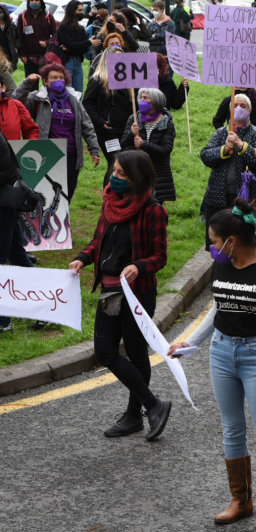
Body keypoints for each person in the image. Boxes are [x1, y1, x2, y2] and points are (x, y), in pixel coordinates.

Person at [168, 198, 256, 532]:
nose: (211, 247)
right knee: (232, 430)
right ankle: (241, 501)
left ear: (232, 240)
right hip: (222, 353)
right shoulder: (223, 264)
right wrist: (191, 342)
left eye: (214, 241)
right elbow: (219, 307)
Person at [68, 150, 171, 440]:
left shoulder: (153, 211)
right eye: (114, 171)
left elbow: (160, 257)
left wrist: (139, 266)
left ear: (138, 178)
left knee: (137, 353)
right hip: (109, 293)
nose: (114, 178)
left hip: (138, 295)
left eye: (122, 174)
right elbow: (98, 241)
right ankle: (153, 405)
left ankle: (133, 416)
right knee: (105, 352)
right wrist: (82, 259)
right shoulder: (110, 201)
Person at [15, 60, 101, 200]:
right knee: (46, 195)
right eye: (54, 78)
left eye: (61, 78)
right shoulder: (37, 99)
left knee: (67, 194)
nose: (58, 80)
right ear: (45, 81)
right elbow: (16, 101)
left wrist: (94, 149)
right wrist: (26, 83)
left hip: (72, 155)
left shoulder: (74, 100)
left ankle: (61, 221)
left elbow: (87, 125)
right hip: (48, 155)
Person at [201, 93, 256, 248]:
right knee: (222, 244)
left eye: (243, 106)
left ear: (250, 111)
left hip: (249, 198)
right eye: (235, 106)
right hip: (221, 197)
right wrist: (224, 150)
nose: (239, 109)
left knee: (249, 243)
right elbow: (205, 155)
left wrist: (241, 145)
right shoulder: (221, 133)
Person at [0, 132, 35, 333]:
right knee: (17, 256)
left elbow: (4, 172)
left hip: (4, 207)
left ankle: (3, 320)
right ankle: (48, 304)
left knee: (2, 262)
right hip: (6, 206)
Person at [83, 45, 134, 181]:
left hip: (126, 129)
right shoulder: (98, 79)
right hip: (107, 131)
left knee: (126, 164)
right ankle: (109, 196)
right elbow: (87, 103)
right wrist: (100, 121)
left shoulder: (129, 80)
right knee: (115, 162)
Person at [120, 87, 176, 203]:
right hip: (137, 171)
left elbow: (166, 150)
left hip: (157, 174)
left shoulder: (166, 123)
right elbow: (124, 146)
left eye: (145, 98)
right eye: (140, 97)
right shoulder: (134, 119)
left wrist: (143, 144)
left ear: (155, 101)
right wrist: (132, 133)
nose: (141, 100)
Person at [54, 0, 97, 93]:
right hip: (67, 62)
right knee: (68, 92)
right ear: (72, 11)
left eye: (82, 10)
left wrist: (73, 47)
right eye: (79, 10)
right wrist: (86, 43)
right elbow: (72, 45)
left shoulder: (80, 28)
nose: (82, 13)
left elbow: (80, 47)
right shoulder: (63, 27)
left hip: (78, 61)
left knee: (78, 93)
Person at [17, 0, 57, 76]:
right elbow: (19, 36)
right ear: (28, 2)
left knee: (46, 83)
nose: (34, 2)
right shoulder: (23, 16)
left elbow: (55, 34)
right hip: (29, 57)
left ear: (41, 2)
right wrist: (22, 53)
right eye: (31, 0)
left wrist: (47, 42)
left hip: (45, 56)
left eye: (36, 0)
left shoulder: (48, 16)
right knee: (31, 85)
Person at [0, 3, 20, 69]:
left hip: (9, 56)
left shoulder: (12, 27)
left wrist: (16, 47)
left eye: (0, 12)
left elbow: (19, 38)